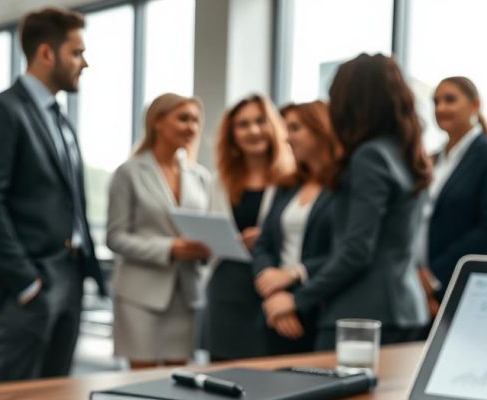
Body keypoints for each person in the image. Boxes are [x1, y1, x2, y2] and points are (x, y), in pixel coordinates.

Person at [0, 7, 105, 382]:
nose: (84, 63)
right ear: (46, 53)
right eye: (76, 52)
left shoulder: (60, 119)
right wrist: (26, 282)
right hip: (26, 286)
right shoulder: (0, 112)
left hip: (70, 278)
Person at [262, 54, 433, 350]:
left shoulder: (369, 157)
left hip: (361, 316)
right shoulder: (405, 155)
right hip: (406, 311)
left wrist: (297, 299)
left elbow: (356, 250)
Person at [107, 93, 212, 368]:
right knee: (141, 381)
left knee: (178, 381)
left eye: (196, 120)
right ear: (157, 122)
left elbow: (207, 230)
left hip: (185, 292)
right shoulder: (128, 173)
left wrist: (211, 247)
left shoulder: (200, 176)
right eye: (183, 118)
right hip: (139, 294)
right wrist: (170, 248)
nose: (191, 127)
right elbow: (115, 237)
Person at [205, 94, 293, 361]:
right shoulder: (219, 181)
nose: (253, 131)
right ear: (232, 134)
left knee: (269, 370)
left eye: (260, 121)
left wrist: (266, 239)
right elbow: (210, 237)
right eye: (243, 124)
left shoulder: (291, 178)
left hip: (271, 287)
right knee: (223, 371)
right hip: (227, 288)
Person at [253, 101, 338, 355]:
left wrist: (294, 275)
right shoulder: (286, 185)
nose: (286, 137)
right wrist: (272, 290)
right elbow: (263, 243)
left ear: (320, 129)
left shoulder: (342, 188)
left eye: (295, 128)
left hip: (319, 303)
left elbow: (345, 251)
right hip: (274, 306)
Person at [422, 76, 487, 305]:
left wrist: (435, 275)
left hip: (469, 285)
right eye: (436, 102)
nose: (440, 108)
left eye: (450, 100)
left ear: (475, 105)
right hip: (424, 285)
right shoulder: (432, 160)